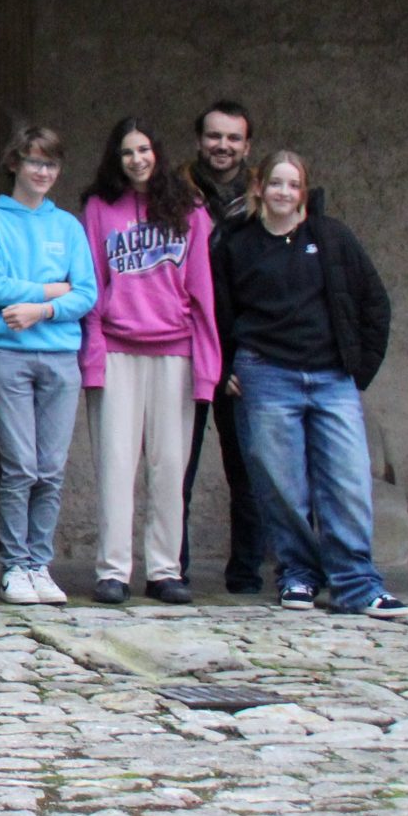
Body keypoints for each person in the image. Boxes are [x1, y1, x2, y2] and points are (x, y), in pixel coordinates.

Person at [213, 150, 405, 618]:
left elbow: (373, 303)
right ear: (259, 188)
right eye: (275, 183)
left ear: (303, 192)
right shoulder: (236, 243)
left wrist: (359, 369)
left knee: (347, 481)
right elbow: (216, 312)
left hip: (331, 378)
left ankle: (357, 583)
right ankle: (297, 573)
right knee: (281, 486)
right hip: (265, 376)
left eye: (293, 185)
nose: (283, 193)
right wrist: (224, 369)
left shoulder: (332, 237)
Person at [79, 117, 217, 608]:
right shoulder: (99, 208)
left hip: (175, 351)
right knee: (115, 465)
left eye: (143, 150)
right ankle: (113, 570)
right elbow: (92, 285)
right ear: (115, 160)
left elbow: (202, 291)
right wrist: (92, 359)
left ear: (157, 152)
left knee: (169, 465)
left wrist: (207, 368)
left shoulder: (190, 208)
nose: (136, 160)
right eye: (126, 153)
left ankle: (164, 570)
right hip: (117, 348)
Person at [0, 126, 97, 607]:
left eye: (51, 165)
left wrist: (42, 310)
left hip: (61, 355)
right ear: (14, 164)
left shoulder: (67, 226)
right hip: (9, 355)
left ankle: (39, 564)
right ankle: (14, 567)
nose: (43, 172)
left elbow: (86, 293)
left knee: (51, 468)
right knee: (20, 466)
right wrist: (52, 290)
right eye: (34, 162)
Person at [184, 99, 270, 595]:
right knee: (180, 465)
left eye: (233, 138)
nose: (223, 146)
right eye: (215, 136)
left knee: (247, 468)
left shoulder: (263, 198)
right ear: (199, 140)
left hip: (241, 349)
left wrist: (247, 352)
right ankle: (175, 569)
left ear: (247, 145)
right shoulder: (177, 193)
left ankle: (245, 572)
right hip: (190, 344)